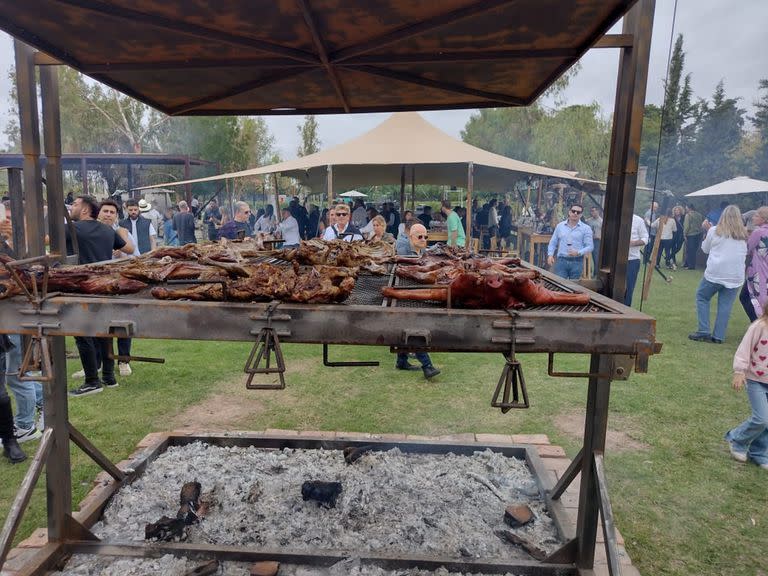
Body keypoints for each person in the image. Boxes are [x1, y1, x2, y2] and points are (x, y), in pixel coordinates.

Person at [66, 195, 128, 396]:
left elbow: (44, 240)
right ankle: (109, 377)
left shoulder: (72, 229)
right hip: (104, 286)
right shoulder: (108, 230)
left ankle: (92, 381)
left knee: (82, 333)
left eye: (74, 204)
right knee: (105, 332)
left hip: (81, 287)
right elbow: (125, 247)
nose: (71, 208)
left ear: (84, 210)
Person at [689, 205, 749, 344]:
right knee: (725, 305)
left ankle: (704, 330)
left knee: (702, 297)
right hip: (735, 275)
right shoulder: (743, 234)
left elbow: (705, 249)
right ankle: (718, 336)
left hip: (716, 272)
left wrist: (706, 231)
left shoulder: (714, 230)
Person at [394, 223, 441, 379]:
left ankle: (401, 360)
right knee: (414, 329)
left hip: (415, 294)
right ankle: (427, 366)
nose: (423, 239)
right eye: (419, 237)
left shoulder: (424, 253)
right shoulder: (405, 254)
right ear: (411, 237)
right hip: (403, 293)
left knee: (405, 327)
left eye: (425, 237)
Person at [727, 307, 768, 470]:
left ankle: (759, 452)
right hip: (755, 379)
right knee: (762, 418)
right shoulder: (759, 326)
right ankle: (737, 439)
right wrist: (739, 371)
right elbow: (744, 349)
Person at [546, 204, 593, 281]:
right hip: (561, 261)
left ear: (581, 215)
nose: (575, 213)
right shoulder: (560, 226)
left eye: (578, 212)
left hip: (577, 262)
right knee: (559, 285)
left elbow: (590, 246)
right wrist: (550, 255)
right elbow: (553, 242)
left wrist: (578, 252)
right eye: (573, 211)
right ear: (569, 212)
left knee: (573, 288)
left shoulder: (586, 228)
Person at [741, 207, 768, 323]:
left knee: (747, 297)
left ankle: (757, 324)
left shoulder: (758, 232)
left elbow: (747, 248)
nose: (753, 217)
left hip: (758, 272)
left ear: (763, 219)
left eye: (756, 216)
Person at [625, 214, 649, 307]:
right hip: (614, 259)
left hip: (632, 259)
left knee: (629, 288)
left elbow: (645, 238)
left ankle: (626, 310)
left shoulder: (638, 220)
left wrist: (634, 243)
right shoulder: (614, 218)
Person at [683, 203, 704, 269]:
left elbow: (687, 226)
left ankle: (691, 266)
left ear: (689, 208)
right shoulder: (699, 215)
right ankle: (687, 263)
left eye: (686, 208)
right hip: (698, 234)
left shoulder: (688, 215)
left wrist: (684, 234)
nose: (685, 209)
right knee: (694, 250)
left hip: (691, 235)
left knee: (689, 250)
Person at [585, 206, 603, 277]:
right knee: (586, 257)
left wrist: (599, 237)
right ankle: (588, 272)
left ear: (597, 211)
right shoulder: (588, 221)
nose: (592, 212)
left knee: (596, 258)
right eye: (591, 211)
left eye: (594, 211)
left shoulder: (601, 221)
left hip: (597, 241)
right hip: (589, 241)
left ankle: (596, 274)